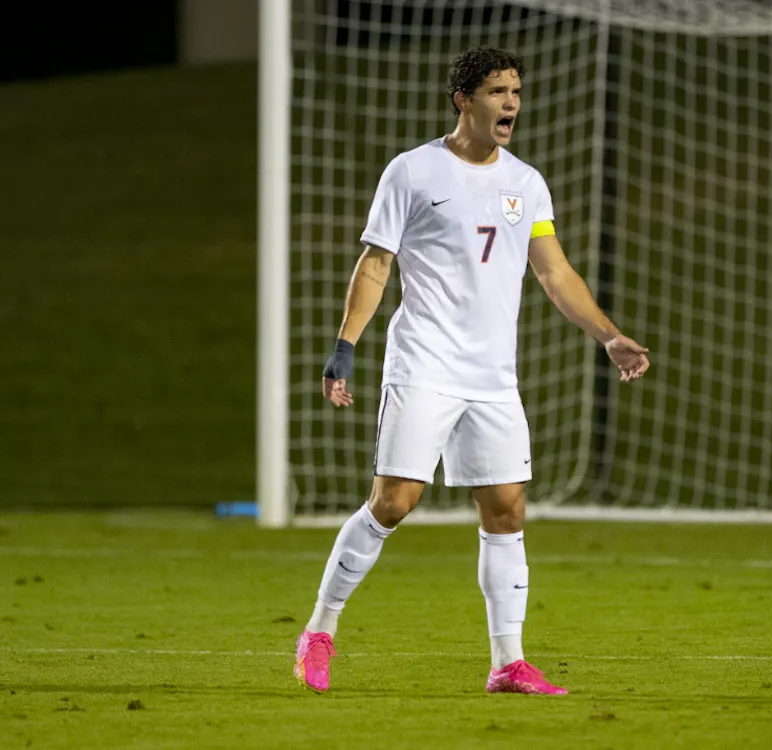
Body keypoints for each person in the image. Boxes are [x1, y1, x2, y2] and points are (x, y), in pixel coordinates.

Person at [295, 45, 650, 696]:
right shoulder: (412, 171)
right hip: (424, 362)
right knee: (394, 503)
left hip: (492, 374)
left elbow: (554, 271)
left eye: (515, 90)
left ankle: (508, 662)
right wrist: (344, 346)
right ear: (463, 100)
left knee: (507, 509)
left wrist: (608, 335)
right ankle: (319, 630)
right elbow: (376, 265)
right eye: (496, 91)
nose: (510, 102)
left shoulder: (525, 182)